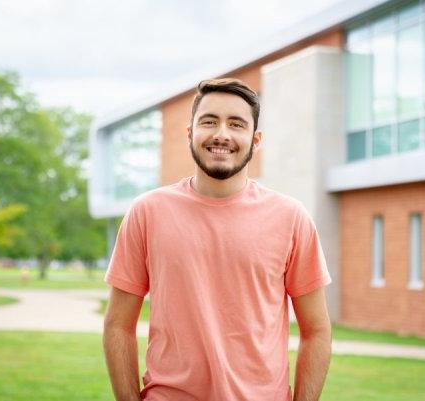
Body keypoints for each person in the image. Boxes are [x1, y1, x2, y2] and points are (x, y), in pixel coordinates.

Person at [103, 78, 332, 401]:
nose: (221, 134)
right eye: (209, 121)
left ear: (255, 139)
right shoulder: (147, 212)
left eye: (236, 124)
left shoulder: (291, 218)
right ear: (190, 133)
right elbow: (117, 325)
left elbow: (317, 331)